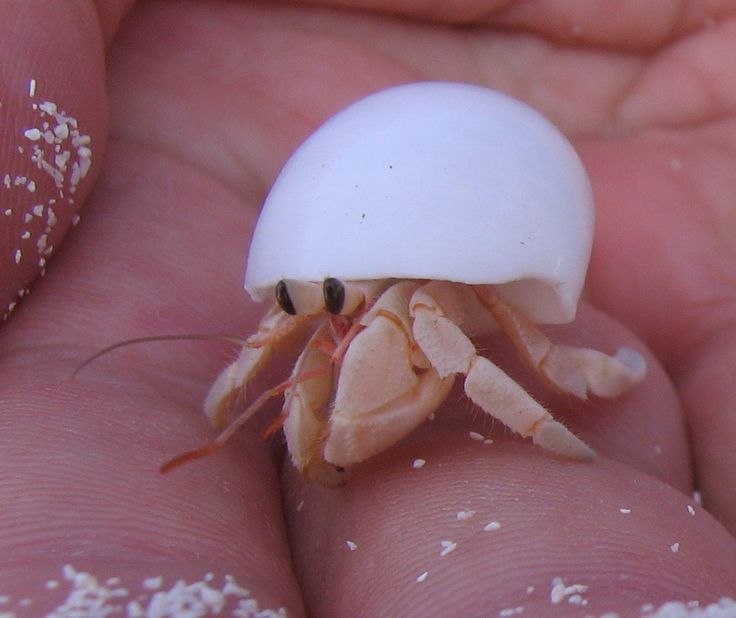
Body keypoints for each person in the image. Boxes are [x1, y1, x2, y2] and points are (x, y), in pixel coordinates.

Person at [1, 2, 736, 615]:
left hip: (452, 266)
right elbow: (315, 313)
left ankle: (545, 418)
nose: (335, 332)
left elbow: (439, 323)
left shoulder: (429, 293)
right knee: (349, 319)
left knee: (409, 315)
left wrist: (549, 422)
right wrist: (230, 392)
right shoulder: (343, 293)